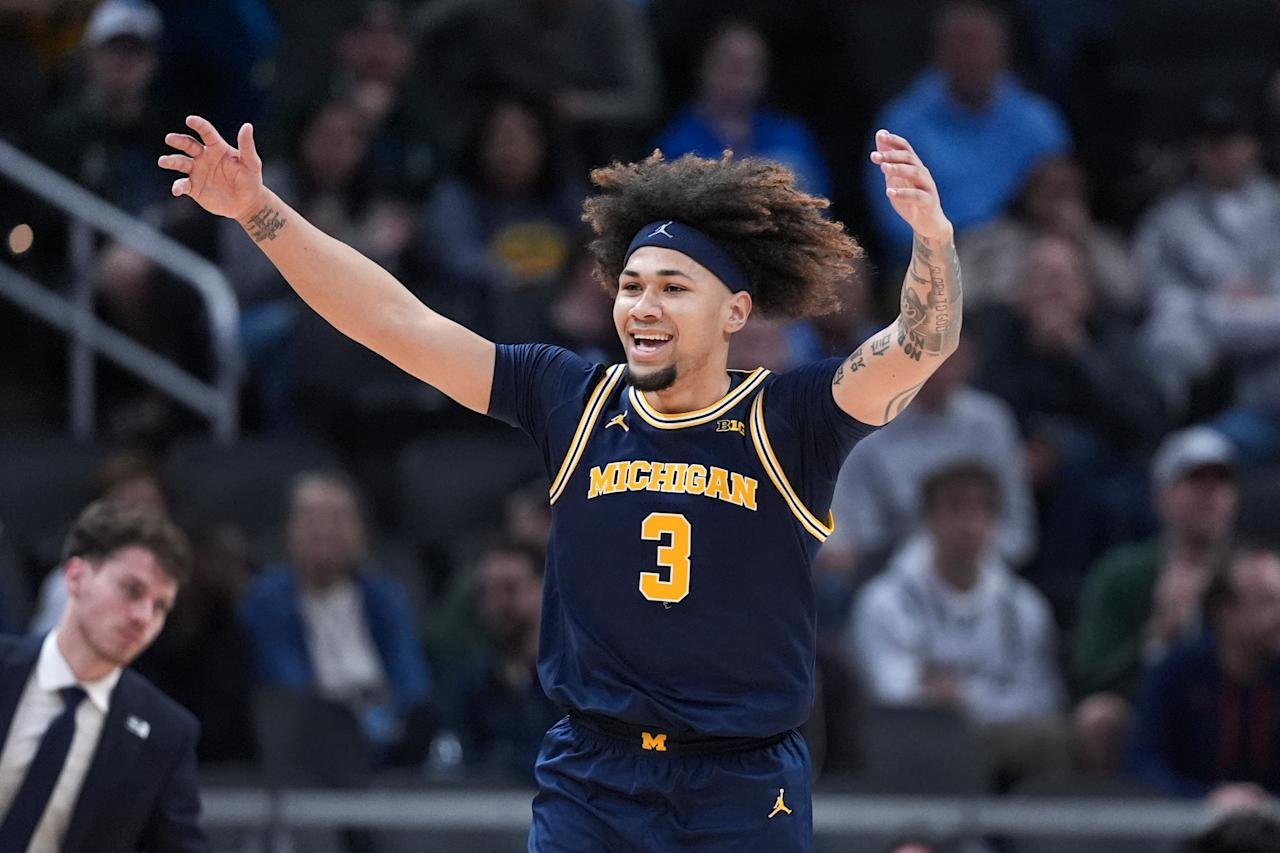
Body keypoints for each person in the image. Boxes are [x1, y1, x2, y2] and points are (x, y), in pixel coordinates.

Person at [161, 111, 962, 850]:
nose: (643, 305)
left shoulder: (792, 418)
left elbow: (916, 347)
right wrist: (260, 212)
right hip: (594, 770)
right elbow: (395, 321)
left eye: (673, 287)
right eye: (632, 284)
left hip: (743, 781)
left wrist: (932, 237)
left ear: (735, 311)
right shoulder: (570, 397)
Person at [0, 501, 206, 853]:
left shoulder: (165, 732)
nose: (144, 617)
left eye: (160, 606)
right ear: (76, 577)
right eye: (132, 590)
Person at [848, 462, 1066, 789]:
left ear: (995, 522)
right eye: (955, 508)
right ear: (928, 519)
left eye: (981, 509)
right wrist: (981, 699)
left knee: (1049, 739)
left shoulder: (1024, 606)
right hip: (912, 745)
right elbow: (889, 690)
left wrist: (963, 694)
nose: (969, 523)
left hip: (1001, 744)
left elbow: (1041, 696)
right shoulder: (885, 600)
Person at [1071, 426, 1239, 775]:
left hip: (1235, 705)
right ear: (1162, 495)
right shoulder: (1122, 573)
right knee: (1099, 716)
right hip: (1146, 708)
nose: (1209, 494)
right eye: (1194, 482)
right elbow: (1091, 677)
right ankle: (1115, 824)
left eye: (1220, 483)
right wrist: (1157, 634)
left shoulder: (1253, 575)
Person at [239, 470, 432, 764]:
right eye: (313, 519)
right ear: (289, 530)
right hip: (309, 745)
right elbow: (287, 684)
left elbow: (411, 679)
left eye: (339, 519)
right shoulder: (267, 599)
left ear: (361, 532)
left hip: (390, 741)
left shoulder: (386, 597)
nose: (325, 531)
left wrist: (397, 724)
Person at [1126, 546, 1280, 802]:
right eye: (1268, 602)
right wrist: (1206, 798)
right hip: (1187, 828)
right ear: (1225, 612)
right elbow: (1143, 765)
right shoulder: (1175, 673)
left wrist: (1267, 803)